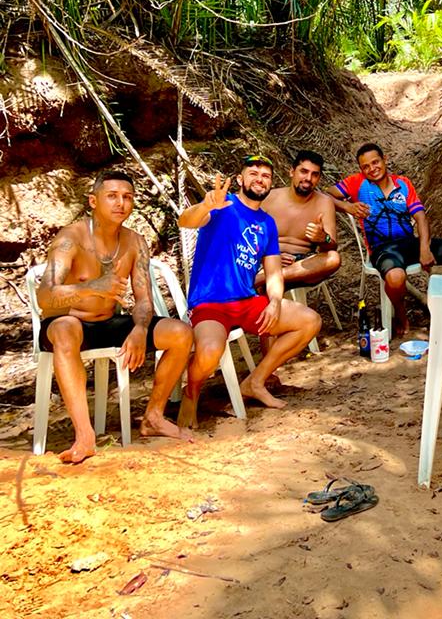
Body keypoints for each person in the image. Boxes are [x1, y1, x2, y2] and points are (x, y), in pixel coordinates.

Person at [37, 171, 194, 463]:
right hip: (68, 322)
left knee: (180, 333)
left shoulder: (135, 242)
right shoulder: (70, 239)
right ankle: (84, 436)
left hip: (109, 322)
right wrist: (90, 288)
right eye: (112, 196)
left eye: (127, 197)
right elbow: (45, 297)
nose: (121, 203)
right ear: (93, 201)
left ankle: (154, 417)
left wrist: (139, 329)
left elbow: (144, 299)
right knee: (65, 329)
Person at [177, 154, 321, 428]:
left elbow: (274, 271)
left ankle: (255, 381)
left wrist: (275, 300)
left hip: (245, 301)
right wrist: (205, 205)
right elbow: (186, 221)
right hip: (210, 303)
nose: (260, 179)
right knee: (208, 351)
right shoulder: (222, 205)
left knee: (309, 321)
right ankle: (191, 393)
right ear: (241, 179)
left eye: (265, 176)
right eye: (253, 174)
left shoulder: (267, 223)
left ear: (271, 184)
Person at [329, 142, 442, 336]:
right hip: (382, 248)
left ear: (384, 160)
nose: (372, 169)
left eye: (375, 162)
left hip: (410, 243)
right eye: (366, 166)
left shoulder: (403, 184)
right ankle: (400, 313)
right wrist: (347, 207)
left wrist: (424, 248)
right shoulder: (357, 183)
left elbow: (420, 216)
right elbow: (323, 195)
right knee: (396, 277)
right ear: (361, 169)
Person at [260, 150, 340, 291]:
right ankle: (266, 279)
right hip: (268, 258)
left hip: (301, 266)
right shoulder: (270, 197)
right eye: (304, 171)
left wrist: (323, 238)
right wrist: (269, 256)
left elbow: (331, 246)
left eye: (314, 174)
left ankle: (266, 278)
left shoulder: (324, 202)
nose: (308, 178)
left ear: (319, 178)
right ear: (292, 172)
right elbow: (246, 235)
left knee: (333, 258)